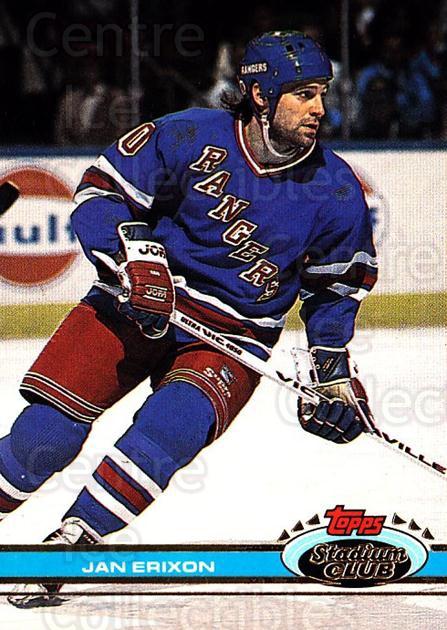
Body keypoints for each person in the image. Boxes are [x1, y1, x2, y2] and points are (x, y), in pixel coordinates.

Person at [2, 31, 377, 608]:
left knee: (171, 428)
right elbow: (102, 193)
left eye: (322, 93)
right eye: (303, 94)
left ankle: (70, 544)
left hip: (232, 335)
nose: (319, 109)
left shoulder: (337, 191)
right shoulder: (189, 134)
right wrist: (132, 256)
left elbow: (335, 289)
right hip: (137, 300)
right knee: (43, 438)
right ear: (261, 95)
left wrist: (331, 372)